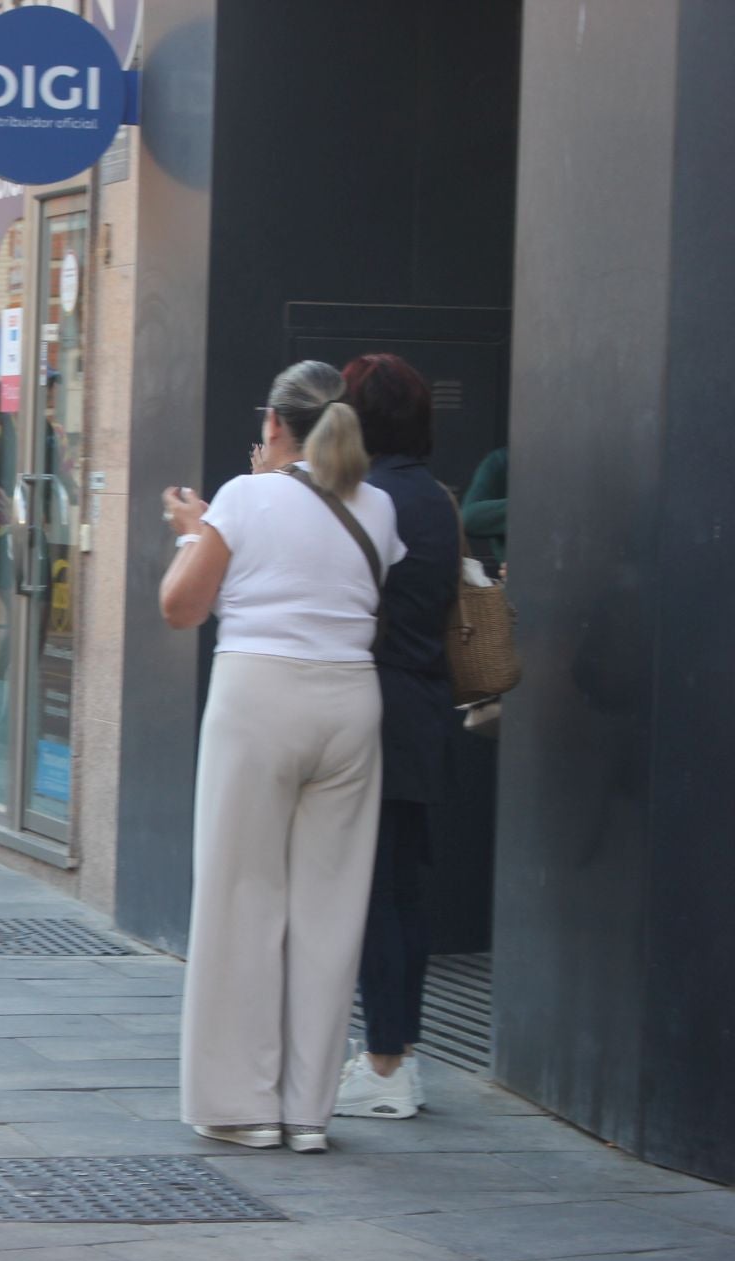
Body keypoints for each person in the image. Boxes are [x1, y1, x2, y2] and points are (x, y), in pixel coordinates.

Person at [159, 358, 405, 1154]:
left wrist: (194, 534)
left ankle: (241, 1105)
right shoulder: (378, 505)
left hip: (259, 696)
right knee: (331, 910)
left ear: (273, 422)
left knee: (241, 895)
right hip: (351, 702)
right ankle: (307, 1111)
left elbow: (180, 607)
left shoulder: (243, 496)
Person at [333, 354, 456, 1122]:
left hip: (373, 706)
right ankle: (397, 1056)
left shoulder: (373, 500)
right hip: (423, 705)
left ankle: (382, 1066)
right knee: (400, 890)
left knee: (374, 893)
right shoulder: (435, 498)